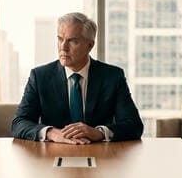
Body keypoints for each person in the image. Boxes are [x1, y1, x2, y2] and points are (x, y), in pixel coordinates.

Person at [11, 12, 144, 144]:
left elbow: (134, 125)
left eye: (72, 41)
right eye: (60, 39)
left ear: (90, 45)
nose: (63, 47)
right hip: (53, 153)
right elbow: (19, 123)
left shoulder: (112, 77)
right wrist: (52, 133)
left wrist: (99, 133)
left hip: (99, 153)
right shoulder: (40, 77)